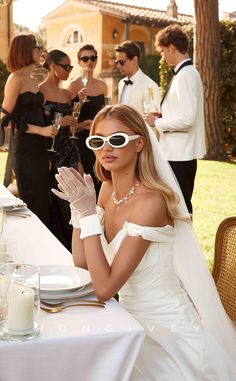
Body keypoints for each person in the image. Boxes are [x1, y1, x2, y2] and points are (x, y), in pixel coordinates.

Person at [53, 104, 236, 381]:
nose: (106, 148)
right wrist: (80, 212)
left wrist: (89, 215)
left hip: (165, 331)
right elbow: (83, 264)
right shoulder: (106, 189)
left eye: (117, 140)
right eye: (97, 141)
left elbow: (104, 288)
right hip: (125, 319)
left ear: (139, 143)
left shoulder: (151, 202)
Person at [144, 24, 206, 215]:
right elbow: (184, 113)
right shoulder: (185, 74)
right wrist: (164, 116)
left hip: (180, 155)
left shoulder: (186, 75)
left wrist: (157, 123)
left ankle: (186, 246)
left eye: (163, 51)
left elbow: (187, 119)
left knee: (181, 209)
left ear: (171, 47)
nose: (163, 56)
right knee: (175, 207)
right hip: (176, 154)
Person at [0, 34, 57, 227]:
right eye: (36, 46)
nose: (40, 50)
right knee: (33, 203)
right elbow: (5, 118)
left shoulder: (33, 79)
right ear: (25, 50)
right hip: (25, 149)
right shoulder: (15, 79)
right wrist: (41, 130)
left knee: (43, 199)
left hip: (41, 149)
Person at [39, 49, 83, 250]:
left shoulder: (67, 94)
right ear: (53, 66)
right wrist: (60, 123)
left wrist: (75, 124)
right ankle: (60, 246)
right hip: (51, 151)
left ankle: (77, 244)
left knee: (75, 197)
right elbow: (42, 126)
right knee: (55, 199)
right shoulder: (40, 91)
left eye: (70, 67)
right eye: (66, 66)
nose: (68, 70)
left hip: (70, 148)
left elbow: (72, 123)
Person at [68, 44, 107, 196]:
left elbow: (105, 111)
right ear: (79, 62)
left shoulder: (102, 86)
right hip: (80, 139)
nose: (89, 61)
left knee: (101, 177)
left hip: (99, 139)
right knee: (84, 181)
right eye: (85, 58)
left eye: (93, 58)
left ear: (96, 61)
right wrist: (79, 103)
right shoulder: (73, 85)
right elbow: (68, 117)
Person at [115, 40, 161, 114]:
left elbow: (153, 120)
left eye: (121, 62)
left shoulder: (150, 86)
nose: (118, 66)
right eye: (116, 62)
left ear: (134, 60)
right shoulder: (121, 83)